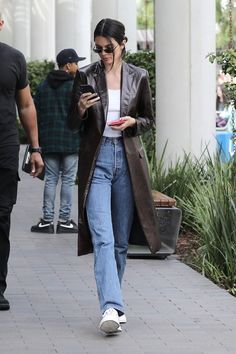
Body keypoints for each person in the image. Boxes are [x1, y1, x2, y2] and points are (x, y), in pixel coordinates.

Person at [69, 18, 161, 335]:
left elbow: (149, 119)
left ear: (123, 43)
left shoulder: (139, 76)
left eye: (109, 48)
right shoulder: (85, 75)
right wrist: (80, 108)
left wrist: (133, 121)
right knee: (103, 237)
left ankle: (114, 303)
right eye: (98, 49)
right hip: (96, 160)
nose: (104, 54)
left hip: (127, 159)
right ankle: (111, 306)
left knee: (120, 241)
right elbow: (72, 123)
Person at [0, 14, 44, 311]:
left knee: (1, 218)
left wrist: (36, 148)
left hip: (4, 149)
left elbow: (26, 105)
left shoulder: (14, 58)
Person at [31, 49, 85, 234]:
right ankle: (64, 221)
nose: (78, 66)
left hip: (49, 142)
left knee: (51, 180)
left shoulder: (43, 86)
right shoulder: (74, 87)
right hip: (70, 141)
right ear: (68, 65)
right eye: (76, 63)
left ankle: (46, 221)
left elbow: (35, 114)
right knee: (68, 181)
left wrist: (35, 144)